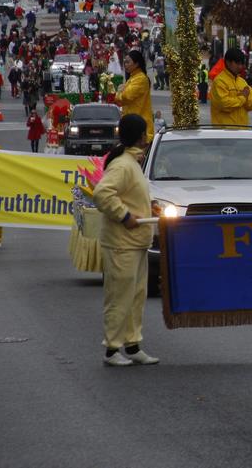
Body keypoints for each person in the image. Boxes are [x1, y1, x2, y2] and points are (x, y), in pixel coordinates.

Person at [92, 114, 159, 367]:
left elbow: (128, 194)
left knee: (136, 296)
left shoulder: (133, 162)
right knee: (119, 296)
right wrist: (125, 216)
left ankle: (132, 344)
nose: (147, 136)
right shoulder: (122, 164)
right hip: (121, 242)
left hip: (136, 242)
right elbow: (103, 193)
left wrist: (147, 206)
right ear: (140, 136)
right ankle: (112, 348)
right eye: (145, 132)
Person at [114, 50, 154, 144]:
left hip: (140, 129)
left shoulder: (140, 79)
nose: (125, 65)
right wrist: (120, 94)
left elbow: (126, 96)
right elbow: (119, 101)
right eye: (124, 62)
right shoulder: (132, 78)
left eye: (128, 62)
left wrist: (119, 92)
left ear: (136, 64)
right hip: (131, 126)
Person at [210, 48, 252, 127]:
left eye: (242, 64)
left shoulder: (242, 82)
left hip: (242, 132)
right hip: (224, 133)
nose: (240, 67)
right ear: (228, 62)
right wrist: (243, 97)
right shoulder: (219, 81)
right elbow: (224, 105)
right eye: (237, 63)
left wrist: (245, 98)